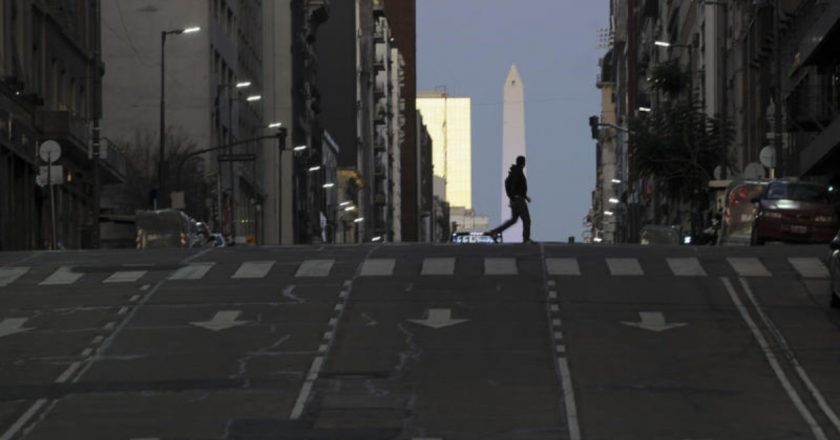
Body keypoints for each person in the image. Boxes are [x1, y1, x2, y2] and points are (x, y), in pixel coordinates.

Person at [487, 155, 534, 243]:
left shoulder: (515, 171)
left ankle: (494, 232)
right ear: (523, 163)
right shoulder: (517, 172)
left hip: (516, 199)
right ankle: (526, 238)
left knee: (513, 220)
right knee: (527, 220)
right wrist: (513, 196)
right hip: (518, 200)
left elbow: (513, 185)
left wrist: (524, 197)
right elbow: (514, 185)